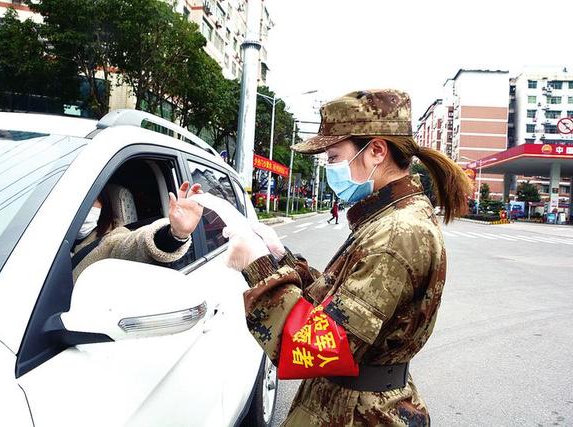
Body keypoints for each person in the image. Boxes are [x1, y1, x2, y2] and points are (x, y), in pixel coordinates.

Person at [226, 89, 472, 426]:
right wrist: (281, 258)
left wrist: (258, 267)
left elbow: (317, 349)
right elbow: (340, 303)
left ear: (375, 151)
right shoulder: (386, 218)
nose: (330, 168)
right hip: (349, 404)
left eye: (333, 156)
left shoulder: (397, 232)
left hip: (358, 414)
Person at [72, 181, 203, 282]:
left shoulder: (110, 239)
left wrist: (175, 235)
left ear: (105, 203)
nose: (82, 208)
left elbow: (132, 244)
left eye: (91, 201)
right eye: (77, 202)